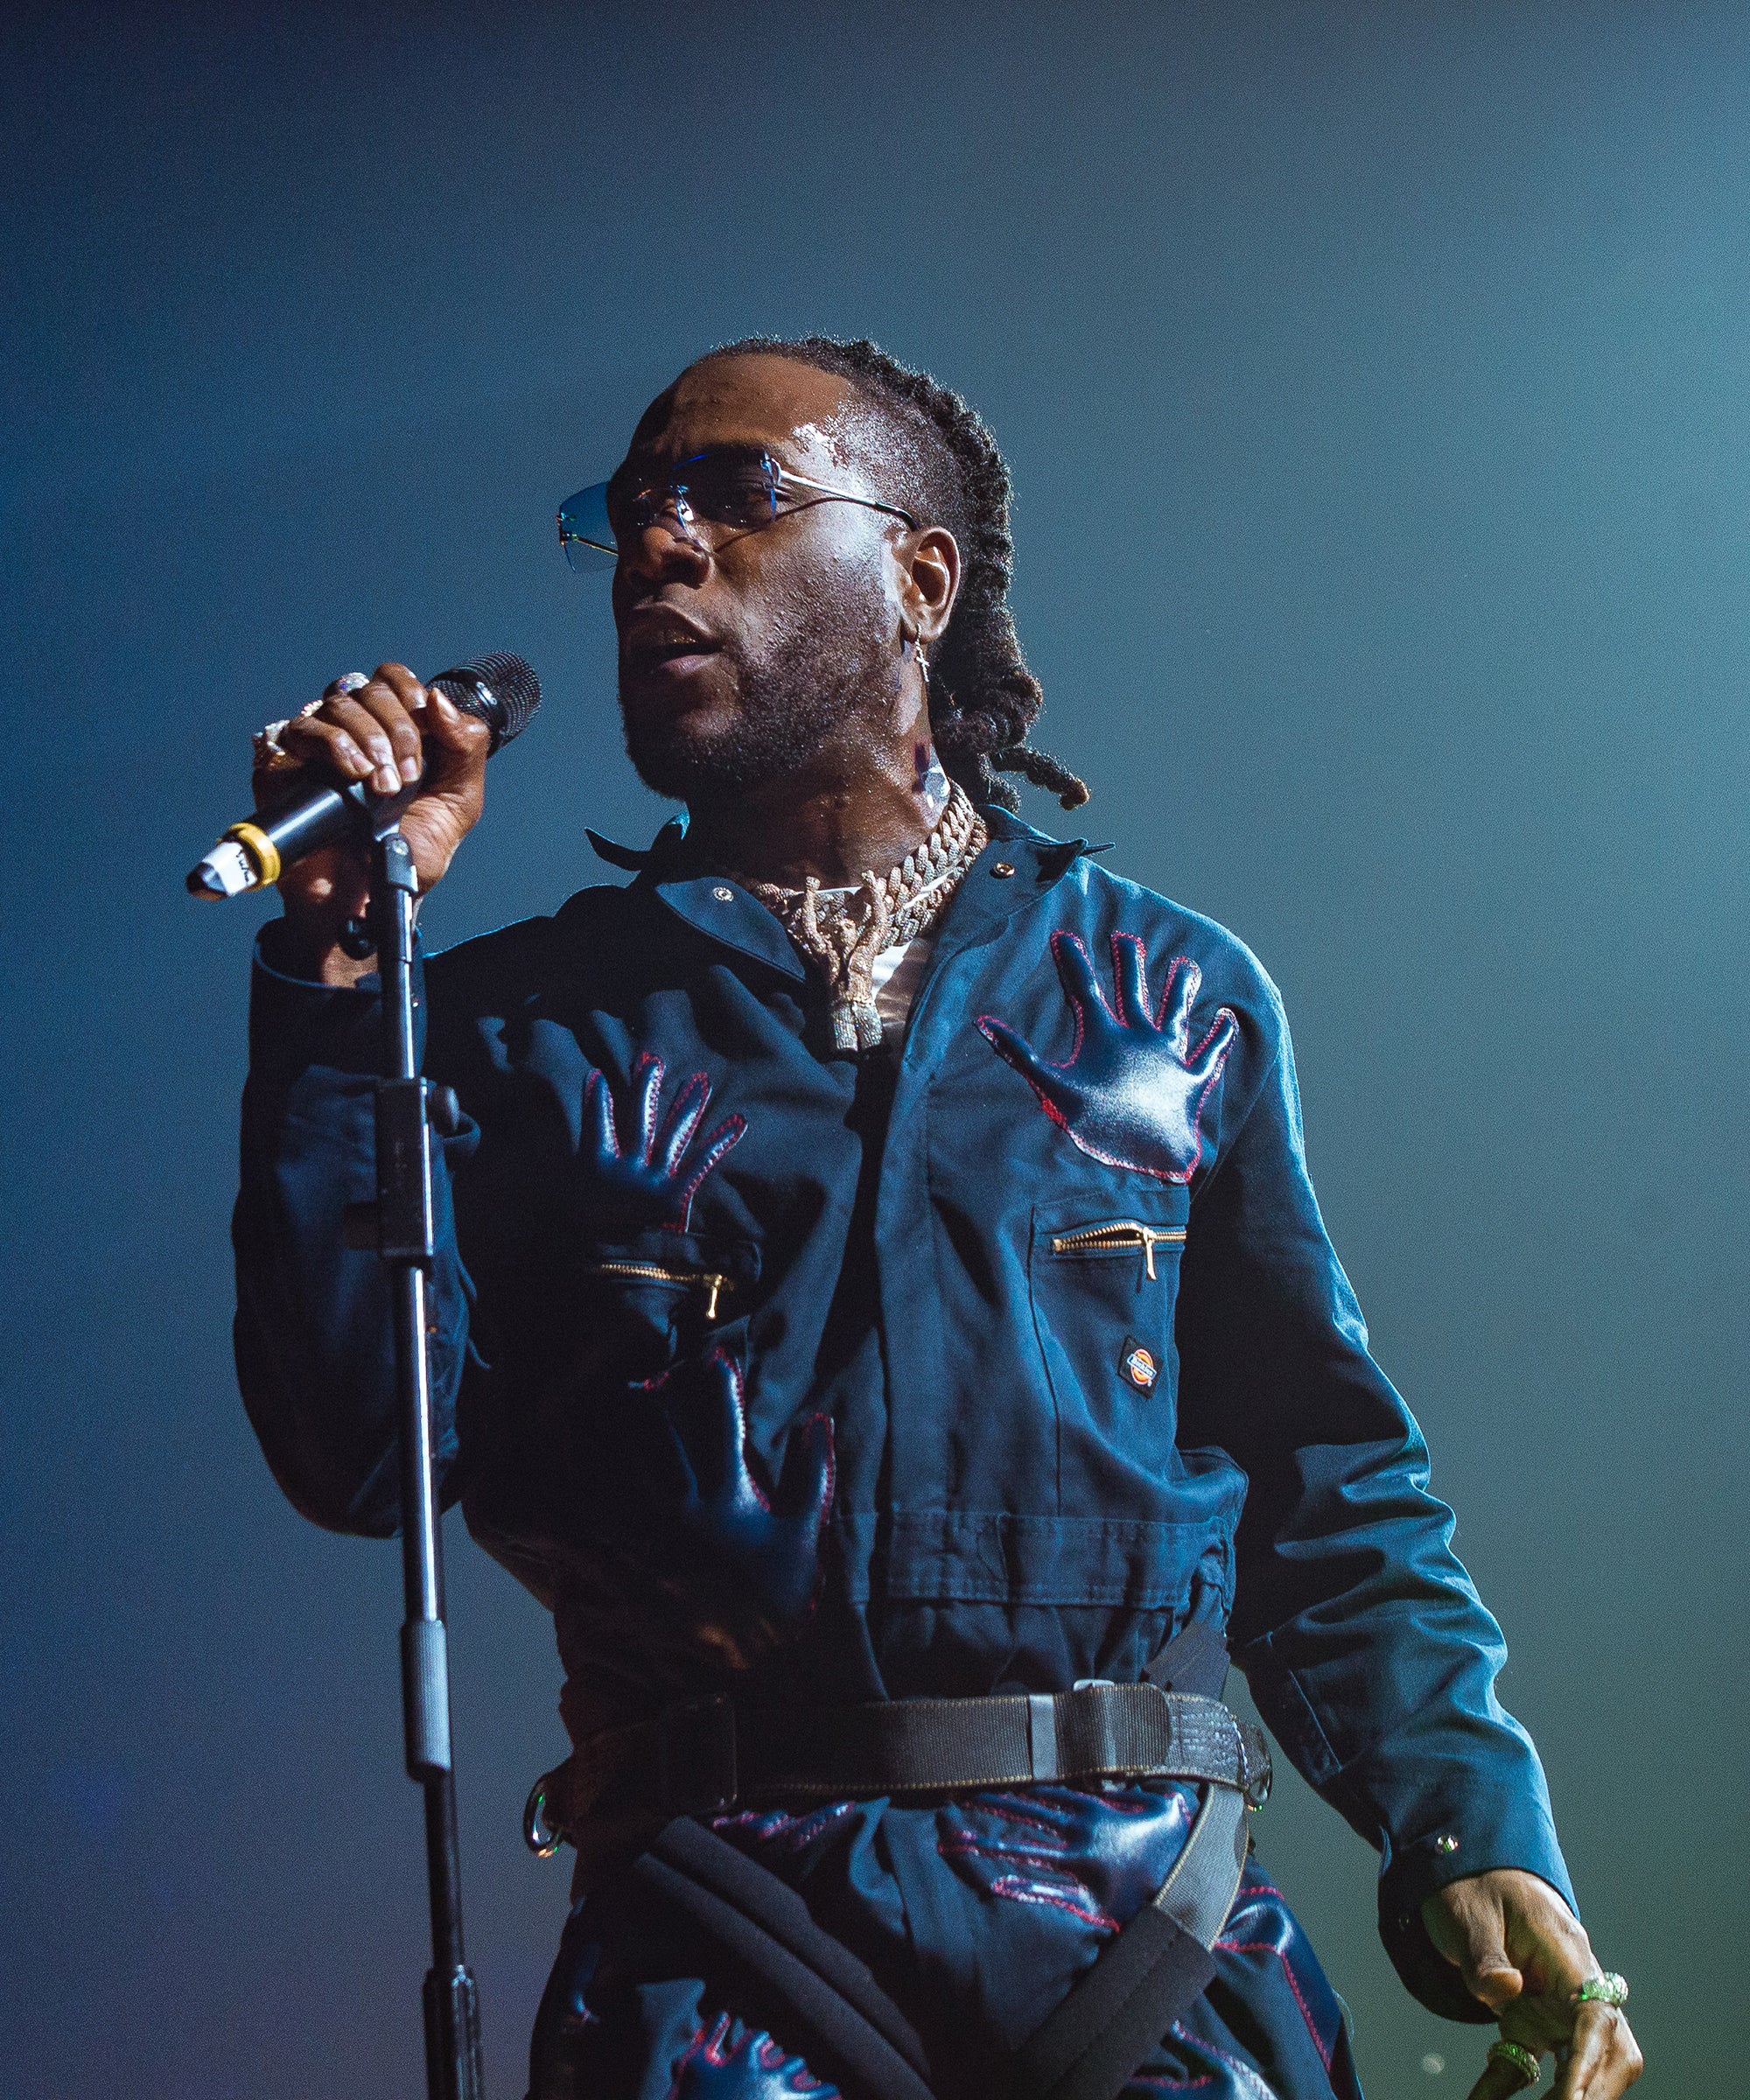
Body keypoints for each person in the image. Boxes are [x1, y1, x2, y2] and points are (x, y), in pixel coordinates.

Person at [231, 337, 1642, 2100]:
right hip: (716, 1958)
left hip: (1154, 1944)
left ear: (918, 576)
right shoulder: (510, 1028)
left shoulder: (1165, 999)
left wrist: (1473, 1833)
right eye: (633, 511)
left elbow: (1326, 1486)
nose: (659, 542)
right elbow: (361, 1455)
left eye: (734, 492)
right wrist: (340, 968)